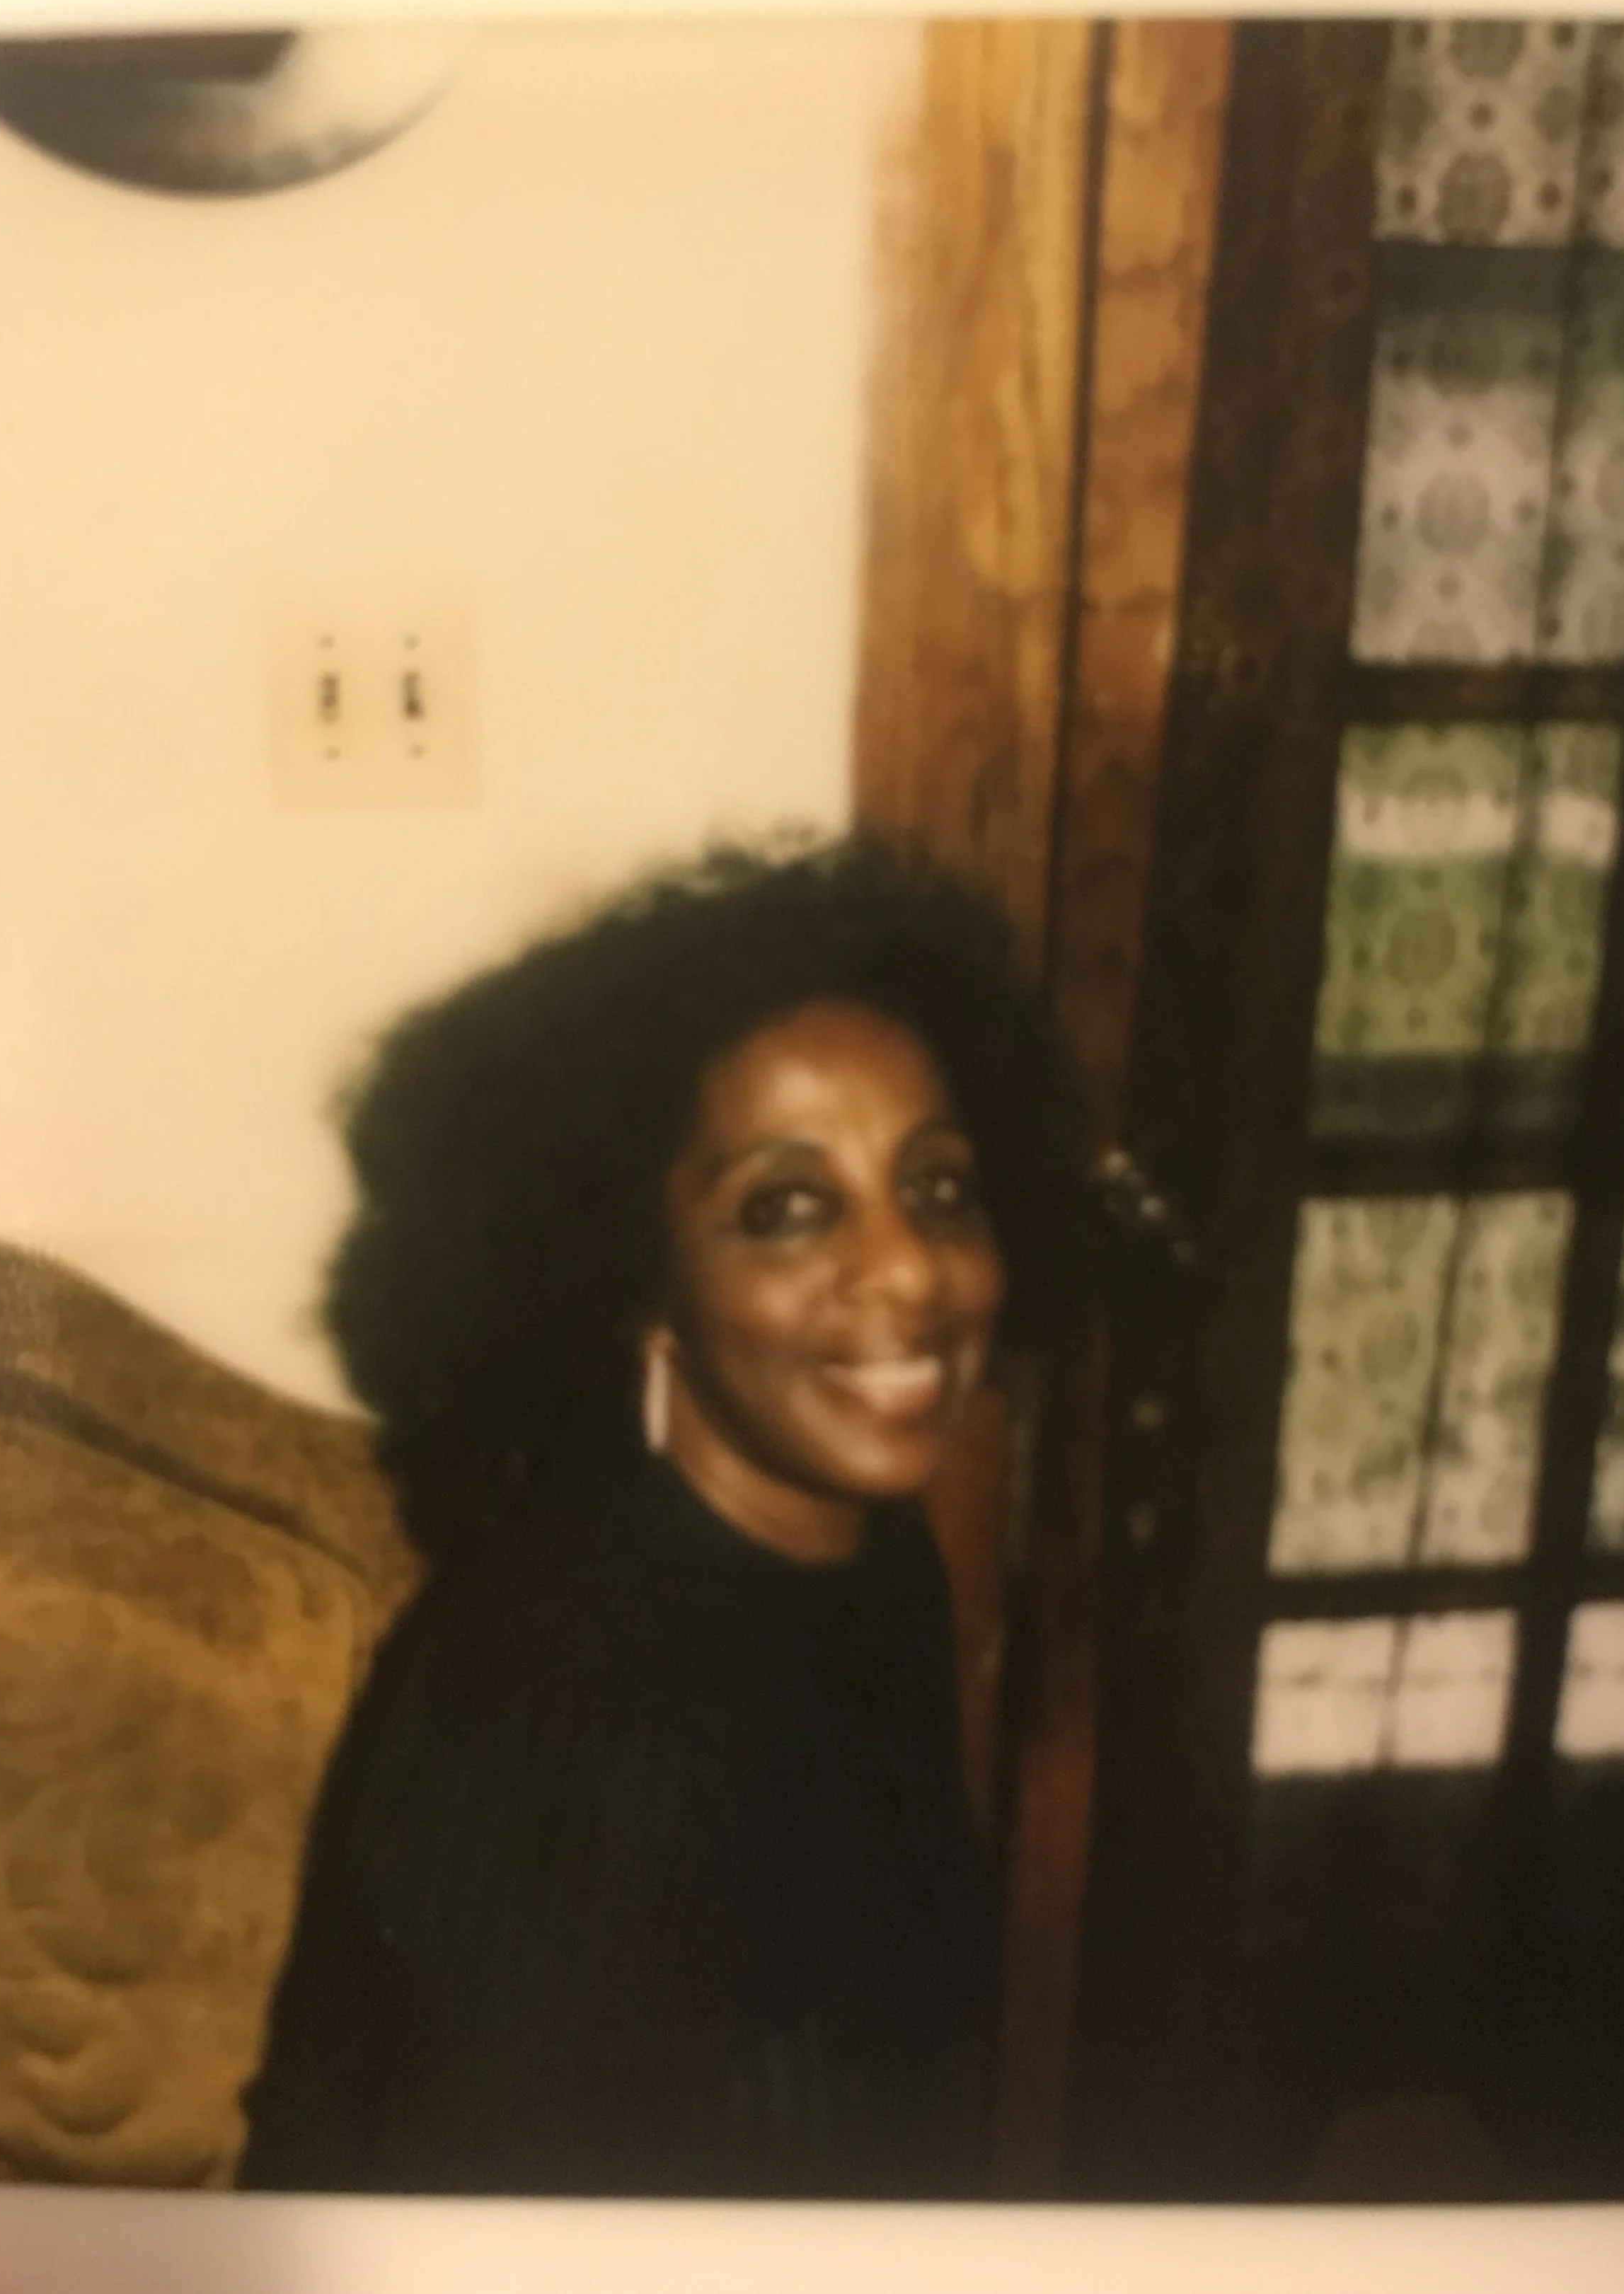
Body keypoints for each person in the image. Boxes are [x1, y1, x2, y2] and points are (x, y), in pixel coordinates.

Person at [237, 830, 1089, 2198]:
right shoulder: (583, 1714)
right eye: (789, 1208)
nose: (911, 1271)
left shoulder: (869, 1554)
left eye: (937, 1187)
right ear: (634, 1285)